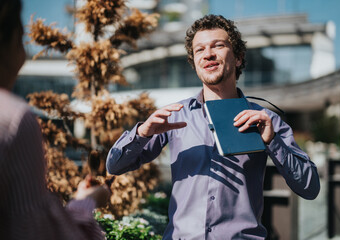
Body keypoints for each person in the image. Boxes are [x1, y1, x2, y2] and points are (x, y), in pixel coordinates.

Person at [106, 14, 320, 239]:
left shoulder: (266, 120)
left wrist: (272, 141)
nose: (208, 54)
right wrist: (141, 133)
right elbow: (114, 166)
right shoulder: (173, 116)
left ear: (238, 58)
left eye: (218, 46)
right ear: (194, 62)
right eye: (199, 49)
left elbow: (310, 187)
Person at [0, 0, 110, 239]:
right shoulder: (13, 119)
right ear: (9, 42)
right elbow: (34, 230)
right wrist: (85, 203)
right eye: (22, 38)